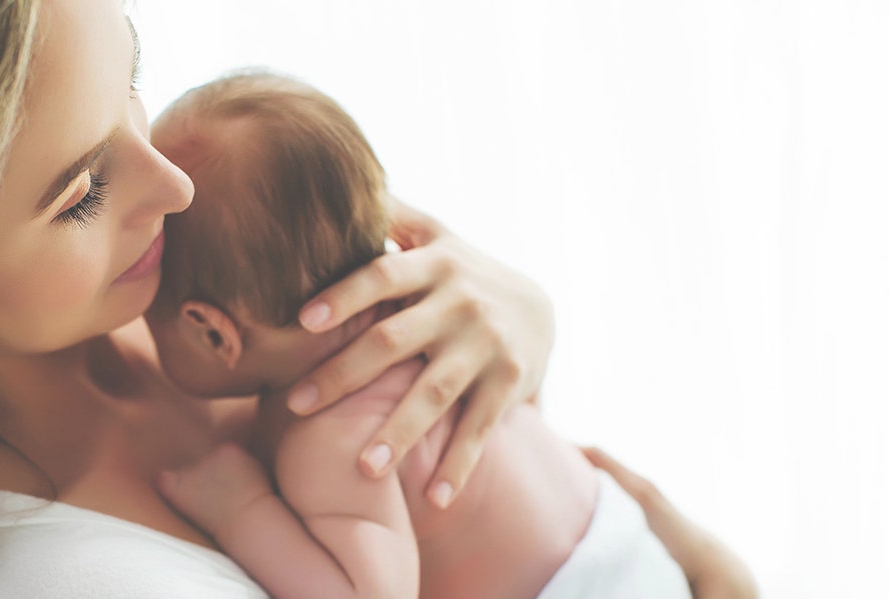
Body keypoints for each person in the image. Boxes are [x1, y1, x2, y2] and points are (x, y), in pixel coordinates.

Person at [0, 1, 756, 598]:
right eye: (82, 191)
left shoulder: (162, 277)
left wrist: (517, 321)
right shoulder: (76, 577)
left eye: (133, 82)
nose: (176, 185)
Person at [144, 71, 692, 599]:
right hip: (629, 542)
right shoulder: (435, 311)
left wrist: (241, 509)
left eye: (149, 309)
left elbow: (373, 593)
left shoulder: (332, 444)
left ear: (212, 333)